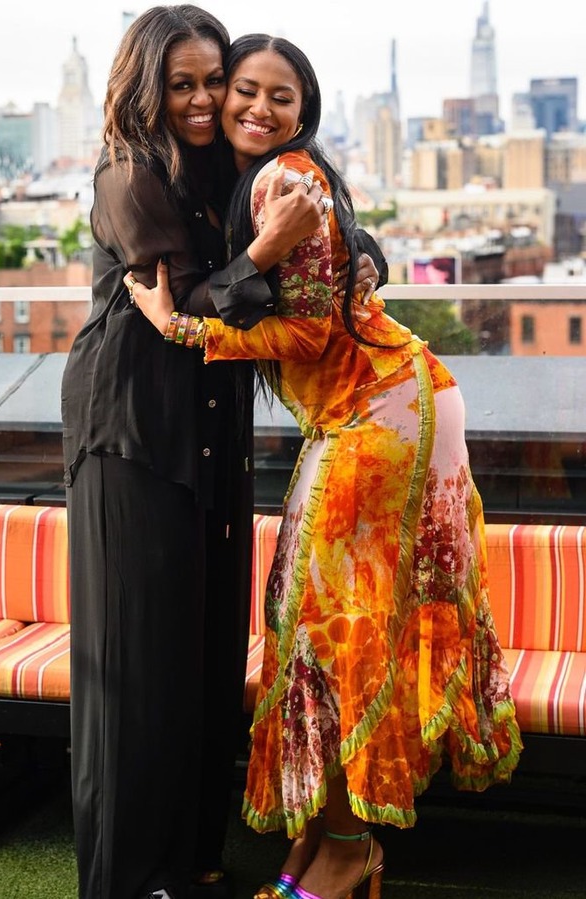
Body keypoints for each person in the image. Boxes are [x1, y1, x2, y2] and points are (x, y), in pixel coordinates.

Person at [127, 32, 524, 899]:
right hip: (371, 405)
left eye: (280, 96)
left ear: (303, 110)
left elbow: (308, 332)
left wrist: (182, 328)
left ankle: (347, 851)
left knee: (337, 631)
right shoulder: (262, 182)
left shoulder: (280, 179)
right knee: (307, 622)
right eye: (243, 91)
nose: (256, 108)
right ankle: (324, 843)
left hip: (381, 411)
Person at [60, 8, 385, 899]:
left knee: (204, 657)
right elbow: (191, 300)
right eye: (185, 83)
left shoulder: (223, 167)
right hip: (133, 430)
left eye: (215, 80)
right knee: (134, 667)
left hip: (211, 434)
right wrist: (268, 251)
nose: (205, 100)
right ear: (146, 85)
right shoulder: (128, 172)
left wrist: (363, 258)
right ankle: (128, 879)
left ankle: (194, 854)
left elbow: (335, 233)